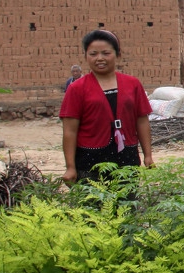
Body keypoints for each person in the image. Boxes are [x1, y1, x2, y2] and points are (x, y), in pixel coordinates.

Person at [60, 30, 154, 183]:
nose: (100, 58)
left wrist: (148, 155)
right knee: (93, 205)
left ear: (118, 54)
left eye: (106, 53)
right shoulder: (76, 88)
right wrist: (70, 167)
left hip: (127, 157)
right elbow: (69, 131)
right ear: (85, 56)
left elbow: (142, 121)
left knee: (127, 204)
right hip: (89, 159)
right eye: (93, 54)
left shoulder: (133, 84)